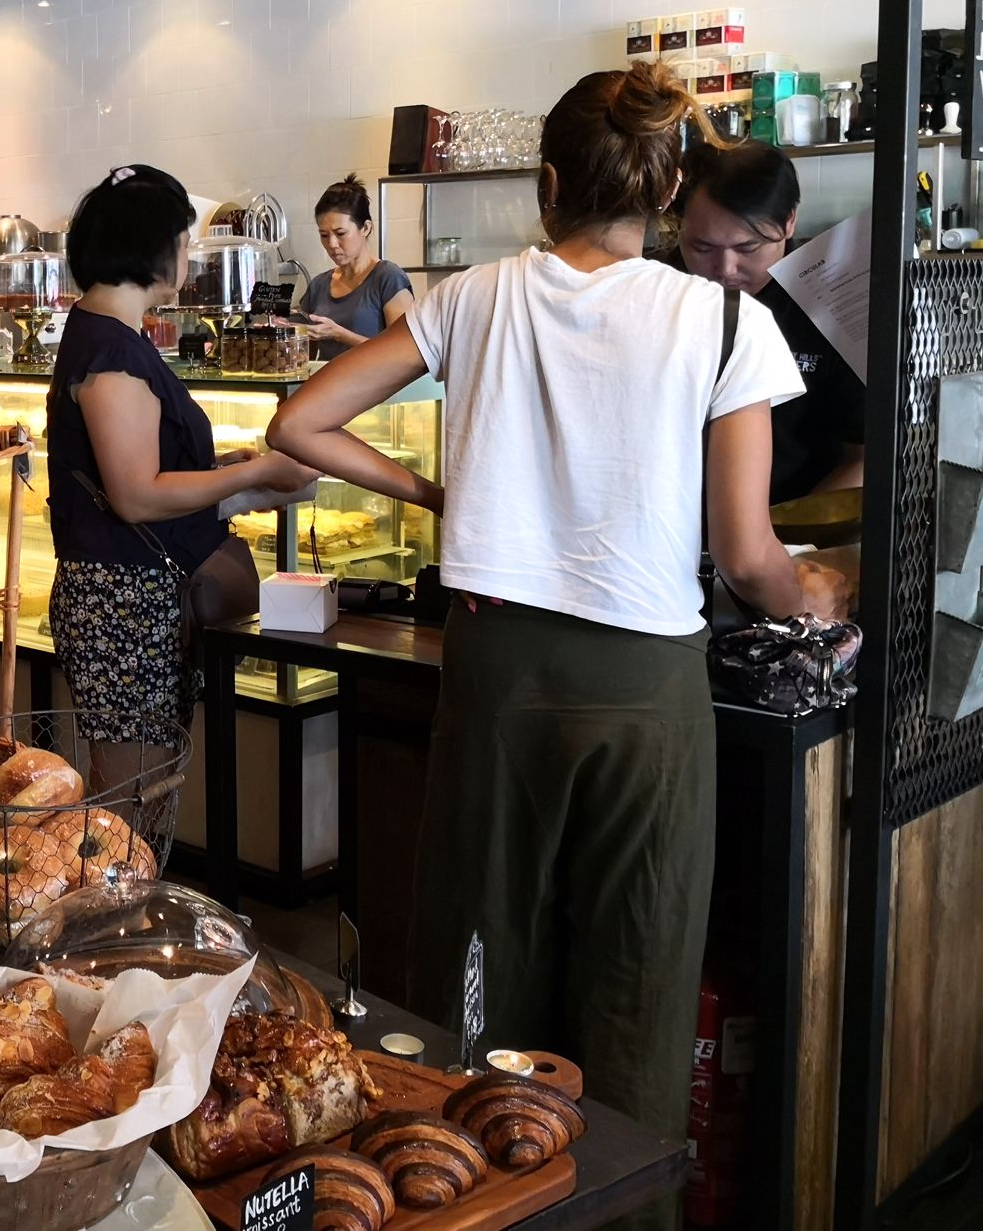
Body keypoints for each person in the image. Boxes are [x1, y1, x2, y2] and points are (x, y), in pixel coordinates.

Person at [265, 63, 808, 1179]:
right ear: (666, 193)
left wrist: (436, 494)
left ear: (547, 183)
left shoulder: (472, 297)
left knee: (481, 947)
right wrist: (823, 593)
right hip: (649, 687)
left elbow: (299, 420)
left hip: (498, 664)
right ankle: (623, 1200)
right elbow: (750, 559)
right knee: (637, 968)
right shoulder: (722, 320)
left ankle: (459, 1184)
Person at [48, 165, 315, 791]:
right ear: (151, 248)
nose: (189, 259)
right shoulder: (113, 354)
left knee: (147, 792)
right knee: (131, 799)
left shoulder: (111, 335)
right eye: (185, 243)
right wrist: (258, 472)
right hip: (122, 604)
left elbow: (141, 474)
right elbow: (137, 496)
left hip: (133, 598)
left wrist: (225, 474)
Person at [664, 141, 866, 504]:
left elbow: (864, 457)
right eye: (701, 248)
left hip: (793, 520)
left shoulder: (832, 303)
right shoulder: (660, 290)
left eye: (747, 248)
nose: (724, 269)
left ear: (789, 222)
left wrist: (784, 531)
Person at [293, 174, 414, 355]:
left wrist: (340, 334)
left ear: (365, 228)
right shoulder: (318, 286)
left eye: (340, 233)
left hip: (375, 375)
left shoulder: (388, 278)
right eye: (324, 235)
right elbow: (304, 355)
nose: (332, 244)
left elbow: (405, 352)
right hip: (328, 375)